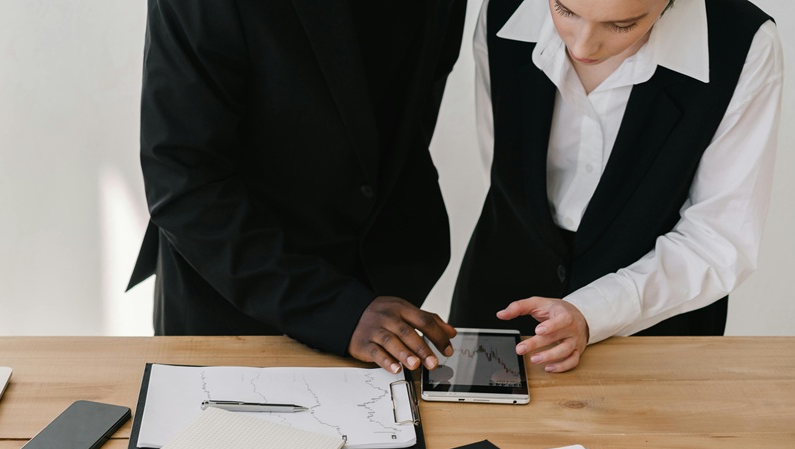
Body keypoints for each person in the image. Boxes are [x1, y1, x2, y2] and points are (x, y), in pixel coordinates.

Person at [128, 0, 467, 374]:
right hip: (234, 302)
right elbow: (181, 177)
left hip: (386, 298)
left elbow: (412, 112)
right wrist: (337, 311)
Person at [449, 0, 783, 372]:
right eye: (564, 10)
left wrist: (594, 311)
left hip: (654, 324)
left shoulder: (742, 44)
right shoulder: (501, 10)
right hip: (497, 304)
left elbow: (720, 238)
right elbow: (500, 166)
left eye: (622, 25)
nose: (581, 47)